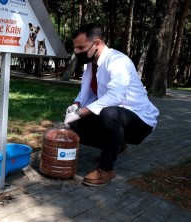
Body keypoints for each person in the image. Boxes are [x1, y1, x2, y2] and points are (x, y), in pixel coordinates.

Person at [64, 23, 159, 187]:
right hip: (119, 117)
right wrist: (76, 105)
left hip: (140, 121)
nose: (77, 52)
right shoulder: (90, 64)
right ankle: (117, 145)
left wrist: (81, 112)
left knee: (109, 114)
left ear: (97, 43)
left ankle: (106, 169)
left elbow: (115, 96)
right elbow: (87, 92)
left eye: (81, 47)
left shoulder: (117, 61)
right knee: (75, 125)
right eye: (76, 48)